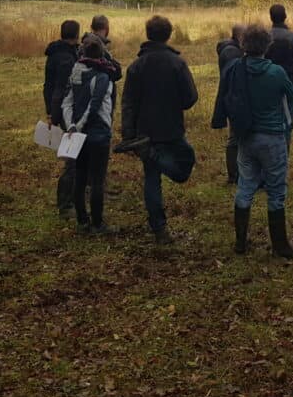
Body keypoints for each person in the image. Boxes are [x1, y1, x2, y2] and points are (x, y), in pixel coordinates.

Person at [212, 24, 293, 259]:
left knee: (245, 187)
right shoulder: (276, 72)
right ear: (267, 45)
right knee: (275, 191)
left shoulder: (235, 69)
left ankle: (241, 242)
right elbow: (291, 95)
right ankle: (280, 246)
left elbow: (226, 95)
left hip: (245, 136)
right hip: (272, 137)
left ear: (243, 44)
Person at [115, 16, 199, 245]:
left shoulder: (136, 66)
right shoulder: (177, 63)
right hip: (172, 128)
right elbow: (190, 98)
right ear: (169, 34)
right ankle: (152, 157)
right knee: (185, 163)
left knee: (152, 179)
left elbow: (128, 103)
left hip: (145, 133)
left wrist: (128, 134)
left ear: (148, 34)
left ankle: (159, 228)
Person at [60, 37, 117, 235]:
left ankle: (82, 221)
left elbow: (67, 102)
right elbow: (95, 105)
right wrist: (80, 126)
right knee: (97, 180)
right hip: (97, 133)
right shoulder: (102, 76)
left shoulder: (76, 73)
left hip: (77, 133)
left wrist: (71, 126)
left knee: (81, 176)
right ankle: (97, 223)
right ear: (102, 54)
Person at [43, 19, 80, 216]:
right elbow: (60, 89)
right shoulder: (67, 59)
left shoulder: (54, 54)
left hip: (57, 109)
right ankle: (66, 204)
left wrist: (49, 110)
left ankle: (73, 197)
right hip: (68, 112)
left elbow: (47, 86)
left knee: (74, 156)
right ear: (76, 35)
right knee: (73, 158)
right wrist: (56, 116)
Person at [216, 24, 245, 184]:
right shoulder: (232, 53)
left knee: (235, 137)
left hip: (232, 98)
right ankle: (234, 175)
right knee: (234, 138)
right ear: (239, 37)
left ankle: (237, 173)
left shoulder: (229, 50)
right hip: (234, 99)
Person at [267, 4, 293, 90]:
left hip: (269, 81)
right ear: (285, 16)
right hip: (290, 81)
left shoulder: (265, 37)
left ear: (271, 18)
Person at [87, 14, 123, 81]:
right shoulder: (99, 46)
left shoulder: (84, 43)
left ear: (91, 27)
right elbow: (117, 72)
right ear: (107, 28)